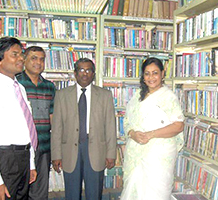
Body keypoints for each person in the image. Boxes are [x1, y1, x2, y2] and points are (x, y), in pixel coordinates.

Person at [51, 58, 117, 200]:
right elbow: (57, 128)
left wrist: (111, 153)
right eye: (81, 70)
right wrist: (56, 155)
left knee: (94, 193)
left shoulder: (105, 95)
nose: (85, 73)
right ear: (75, 73)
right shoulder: (62, 95)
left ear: (93, 74)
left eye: (88, 70)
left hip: (96, 149)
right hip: (69, 149)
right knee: (72, 193)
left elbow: (110, 126)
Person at [121, 57, 185, 200]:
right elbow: (127, 121)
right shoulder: (138, 96)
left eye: (155, 73)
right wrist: (132, 134)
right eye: (147, 73)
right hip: (135, 153)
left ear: (162, 74)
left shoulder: (168, 97)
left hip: (158, 157)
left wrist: (151, 134)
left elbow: (178, 125)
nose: (151, 77)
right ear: (143, 76)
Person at [0, 37, 37, 200]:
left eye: (21, 54)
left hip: (23, 156)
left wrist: (31, 164)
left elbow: (27, 128)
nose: (21, 58)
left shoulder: (19, 88)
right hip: (4, 159)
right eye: (15, 54)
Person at [16, 46, 56, 200]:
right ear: (24, 60)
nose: (38, 62)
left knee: (40, 193)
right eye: (34, 58)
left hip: (44, 147)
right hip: (22, 150)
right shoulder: (16, 84)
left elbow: (52, 118)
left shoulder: (50, 86)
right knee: (19, 192)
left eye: (41, 59)